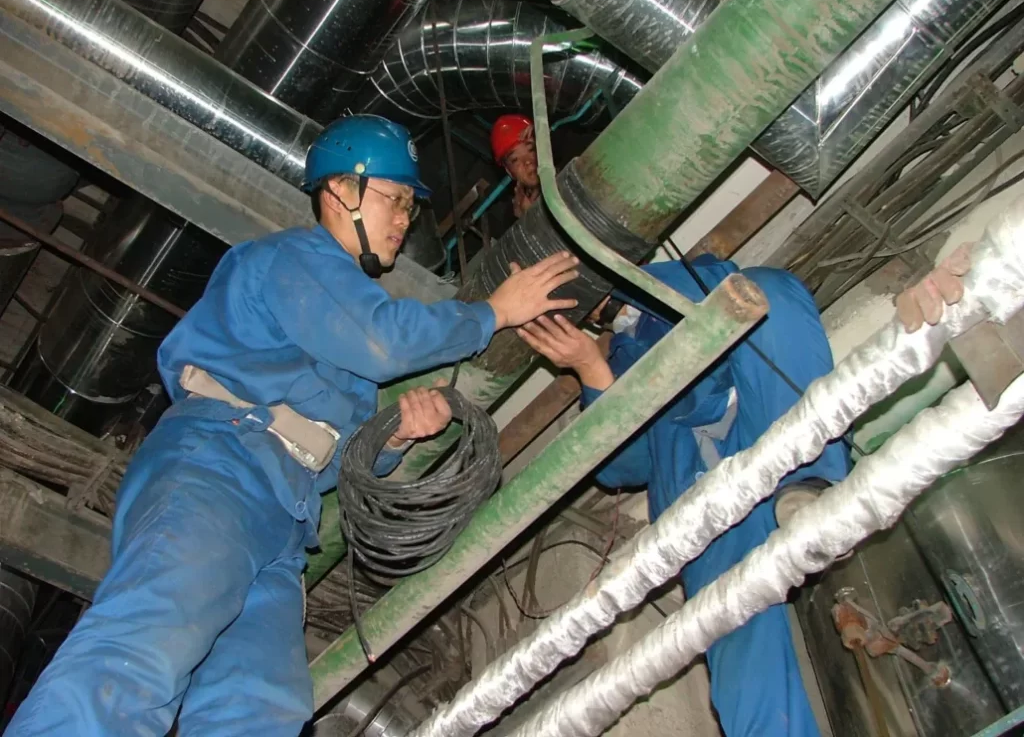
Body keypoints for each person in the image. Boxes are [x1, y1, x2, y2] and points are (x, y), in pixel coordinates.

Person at [6, 115, 582, 737]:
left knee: (260, 712)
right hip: (219, 467)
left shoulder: (335, 334)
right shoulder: (292, 259)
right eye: (395, 200)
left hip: (281, 523)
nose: (403, 221)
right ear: (341, 193)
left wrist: (391, 439)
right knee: (142, 653)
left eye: (411, 209)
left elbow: (332, 451)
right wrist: (494, 312)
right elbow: (385, 343)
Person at [516, 247, 971, 737]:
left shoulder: (679, 282)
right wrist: (592, 370)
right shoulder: (619, 356)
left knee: (765, 291)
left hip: (764, 440)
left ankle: (809, 483)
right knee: (743, 671)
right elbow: (621, 468)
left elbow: (742, 294)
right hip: (704, 509)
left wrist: (608, 274)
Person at [491, 114, 541, 218]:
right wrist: (527, 218)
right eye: (515, 159)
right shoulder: (514, 216)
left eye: (531, 149)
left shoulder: (571, 165)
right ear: (509, 172)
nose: (527, 161)